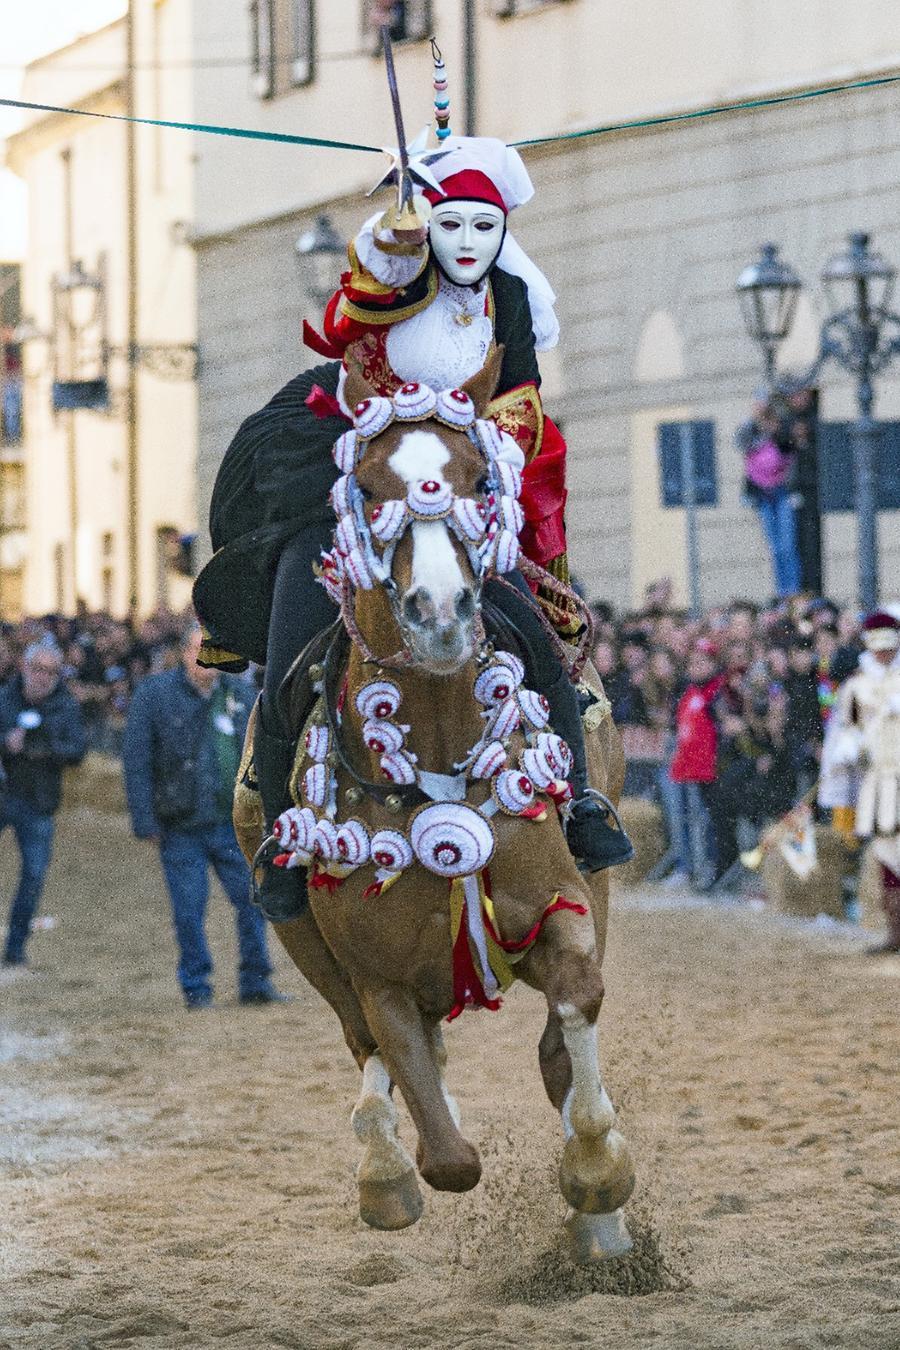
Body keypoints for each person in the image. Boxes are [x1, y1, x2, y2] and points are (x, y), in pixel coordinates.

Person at [193, 133, 633, 921]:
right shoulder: (398, 266)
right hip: (360, 456)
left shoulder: (512, 299)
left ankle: (585, 805)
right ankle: (281, 826)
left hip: (456, 463)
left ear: (502, 233)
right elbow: (356, 312)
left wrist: (483, 441)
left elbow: (522, 392)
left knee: (528, 625)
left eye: (483, 228)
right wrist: (393, 247)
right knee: (298, 622)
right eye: (451, 225)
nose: (466, 243)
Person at [123, 622, 284, 1007]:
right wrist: (144, 819)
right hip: (180, 824)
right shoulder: (153, 696)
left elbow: (259, 757)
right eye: (200, 650)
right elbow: (137, 761)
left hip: (234, 825)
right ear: (183, 654)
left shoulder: (241, 695)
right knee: (189, 910)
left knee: (251, 901)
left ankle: (256, 981)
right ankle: (196, 986)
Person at [0, 641, 87, 966]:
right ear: (24, 667)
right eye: (38, 669)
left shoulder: (66, 706)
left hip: (38, 802)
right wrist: (6, 743)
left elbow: (77, 750)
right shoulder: (4, 698)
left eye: (51, 672)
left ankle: (16, 946)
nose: (43, 677)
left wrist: (42, 746)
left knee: (34, 875)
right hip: (4, 791)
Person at [819, 611, 900, 955]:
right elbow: (847, 730)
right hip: (880, 781)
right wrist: (848, 747)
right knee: (888, 857)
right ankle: (896, 932)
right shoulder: (856, 686)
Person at [736, 393, 802, 598]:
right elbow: (741, 441)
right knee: (775, 547)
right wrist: (757, 420)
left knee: (788, 544)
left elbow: (790, 446)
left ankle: (793, 589)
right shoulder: (751, 430)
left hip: (782, 492)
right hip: (763, 494)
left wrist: (775, 427)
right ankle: (783, 591)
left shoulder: (782, 429)